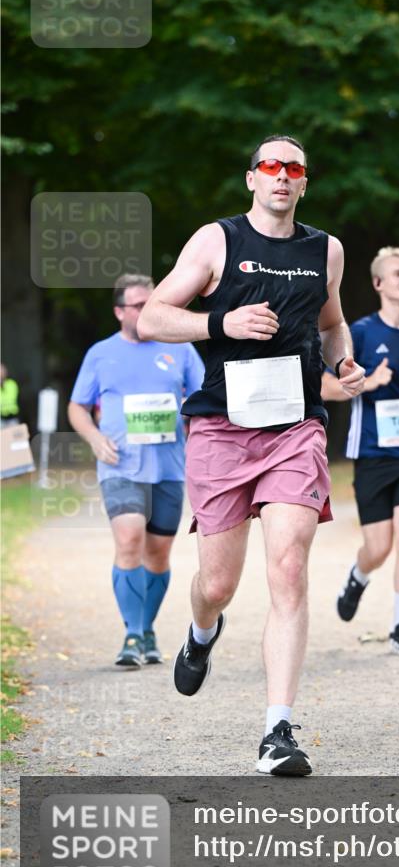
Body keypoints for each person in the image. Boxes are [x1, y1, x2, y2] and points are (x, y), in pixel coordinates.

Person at [136, 135, 364, 777]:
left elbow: (332, 322)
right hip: (221, 427)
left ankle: (277, 731)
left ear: (304, 181)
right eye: (271, 167)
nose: (282, 177)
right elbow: (153, 317)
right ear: (252, 178)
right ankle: (202, 630)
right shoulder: (216, 241)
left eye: (293, 168)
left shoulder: (327, 250)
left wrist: (343, 361)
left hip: (295, 426)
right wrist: (221, 324)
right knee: (218, 583)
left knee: (289, 569)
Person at [68, 274, 204, 667]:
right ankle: (131, 634)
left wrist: (190, 415)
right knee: (129, 539)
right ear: (119, 312)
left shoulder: (179, 349)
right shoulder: (101, 353)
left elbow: (201, 396)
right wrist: (94, 438)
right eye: (138, 306)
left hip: (168, 467)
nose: (146, 311)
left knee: (158, 554)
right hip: (120, 465)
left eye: (152, 303)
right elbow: (77, 406)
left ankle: (145, 630)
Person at [322, 246, 399, 656]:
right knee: (379, 547)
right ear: (378, 283)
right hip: (373, 453)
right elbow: (323, 387)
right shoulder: (358, 333)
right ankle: (358, 576)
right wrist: (368, 383)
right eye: (397, 273)